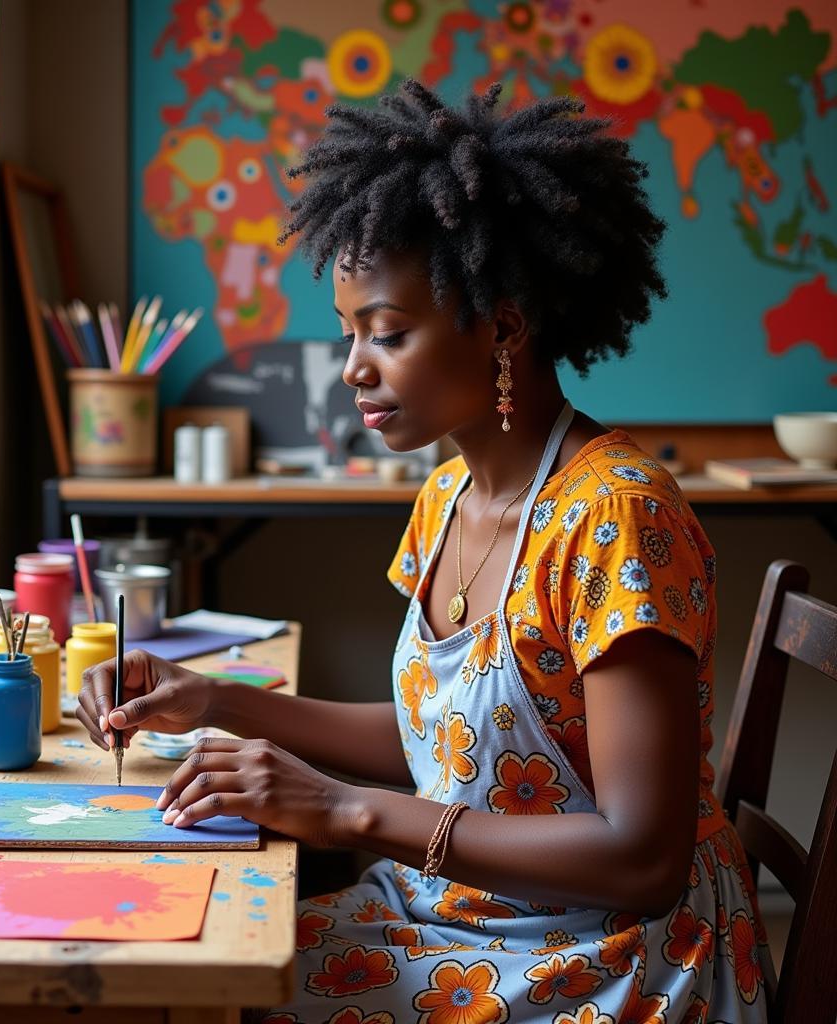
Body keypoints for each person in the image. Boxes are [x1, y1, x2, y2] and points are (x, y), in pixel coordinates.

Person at [78, 78, 769, 1023]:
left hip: (613, 957)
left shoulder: (618, 520)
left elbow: (642, 862)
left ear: (505, 329)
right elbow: (440, 737)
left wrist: (345, 812)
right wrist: (217, 701)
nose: (355, 366)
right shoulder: (446, 495)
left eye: (388, 334)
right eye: (350, 333)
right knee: (192, 970)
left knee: (213, 1000)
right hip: (472, 920)